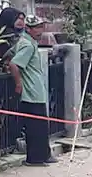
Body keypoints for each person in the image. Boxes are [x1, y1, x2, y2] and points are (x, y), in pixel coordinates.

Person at [6, 14, 56, 166]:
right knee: (36, 128)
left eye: (41, 27)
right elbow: (14, 64)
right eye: (37, 28)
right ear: (28, 29)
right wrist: (18, 84)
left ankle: (44, 155)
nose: (40, 30)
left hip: (36, 91)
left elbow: (9, 55)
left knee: (41, 126)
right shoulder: (27, 45)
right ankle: (35, 158)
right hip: (31, 93)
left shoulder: (27, 42)